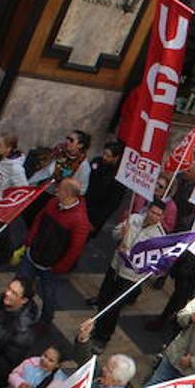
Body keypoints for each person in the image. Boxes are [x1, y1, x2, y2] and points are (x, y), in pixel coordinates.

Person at [90, 199, 166, 347]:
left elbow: (147, 263)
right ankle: (96, 328)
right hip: (115, 266)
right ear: (148, 210)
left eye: (158, 214)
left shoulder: (159, 237)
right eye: (152, 212)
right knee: (104, 299)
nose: (154, 216)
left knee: (113, 307)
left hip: (130, 277)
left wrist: (128, 254)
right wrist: (121, 232)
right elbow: (115, 234)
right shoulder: (134, 218)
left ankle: (103, 337)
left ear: (162, 217)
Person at [19, 177, 91, 324]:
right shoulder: (53, 203)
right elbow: (39, 220)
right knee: (20, 283)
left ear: (67, 194)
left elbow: (74, 250)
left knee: (48, 294)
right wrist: (29, 241)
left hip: (50, 266)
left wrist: (60, 267)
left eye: (60, 188)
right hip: (32, 255)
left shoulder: (80, 221)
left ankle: (45, 320)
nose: (56, 190)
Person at [85, 140, 128, 236]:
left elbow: (111, 205)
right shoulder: (97, 162)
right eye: (104, 154)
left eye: (108, 156)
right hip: (83, 203)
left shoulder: (119, 177)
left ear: (116, 158)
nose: (104, 157)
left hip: (95, 213)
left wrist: (95, 222)